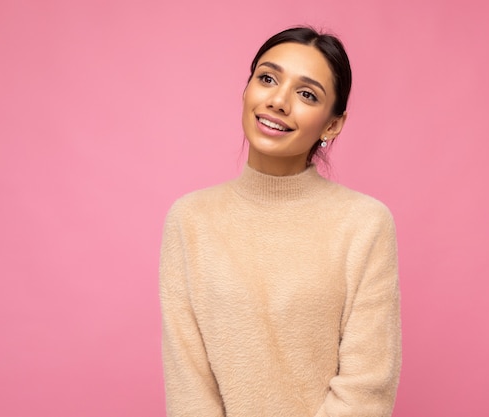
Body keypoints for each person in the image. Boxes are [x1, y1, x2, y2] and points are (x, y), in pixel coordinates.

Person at [159, 26, 402, 417]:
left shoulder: (364, 224)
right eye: (267, 78)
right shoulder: (191, 220)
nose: (278, 101)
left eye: (307, 94)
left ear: (332, 125)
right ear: (246, 90)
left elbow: (366, 389)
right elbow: (188, 385)